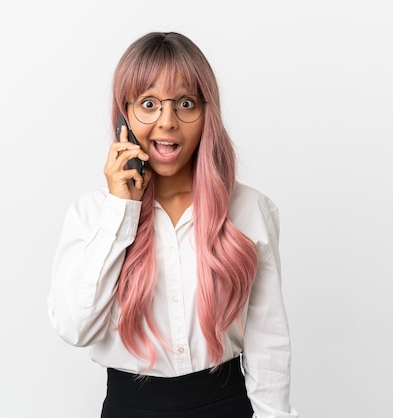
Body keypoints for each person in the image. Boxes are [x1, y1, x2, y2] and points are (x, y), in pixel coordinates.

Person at [48, 31, 298, 418]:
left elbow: (269, 343)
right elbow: (74, 328)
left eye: (185, 103)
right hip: (131, 407)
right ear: (124, 117)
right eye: (148, 103)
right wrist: (121, 208)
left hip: (226, 406)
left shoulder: (251, 209)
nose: (168, 121)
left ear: (206, 111)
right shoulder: (92, 215)